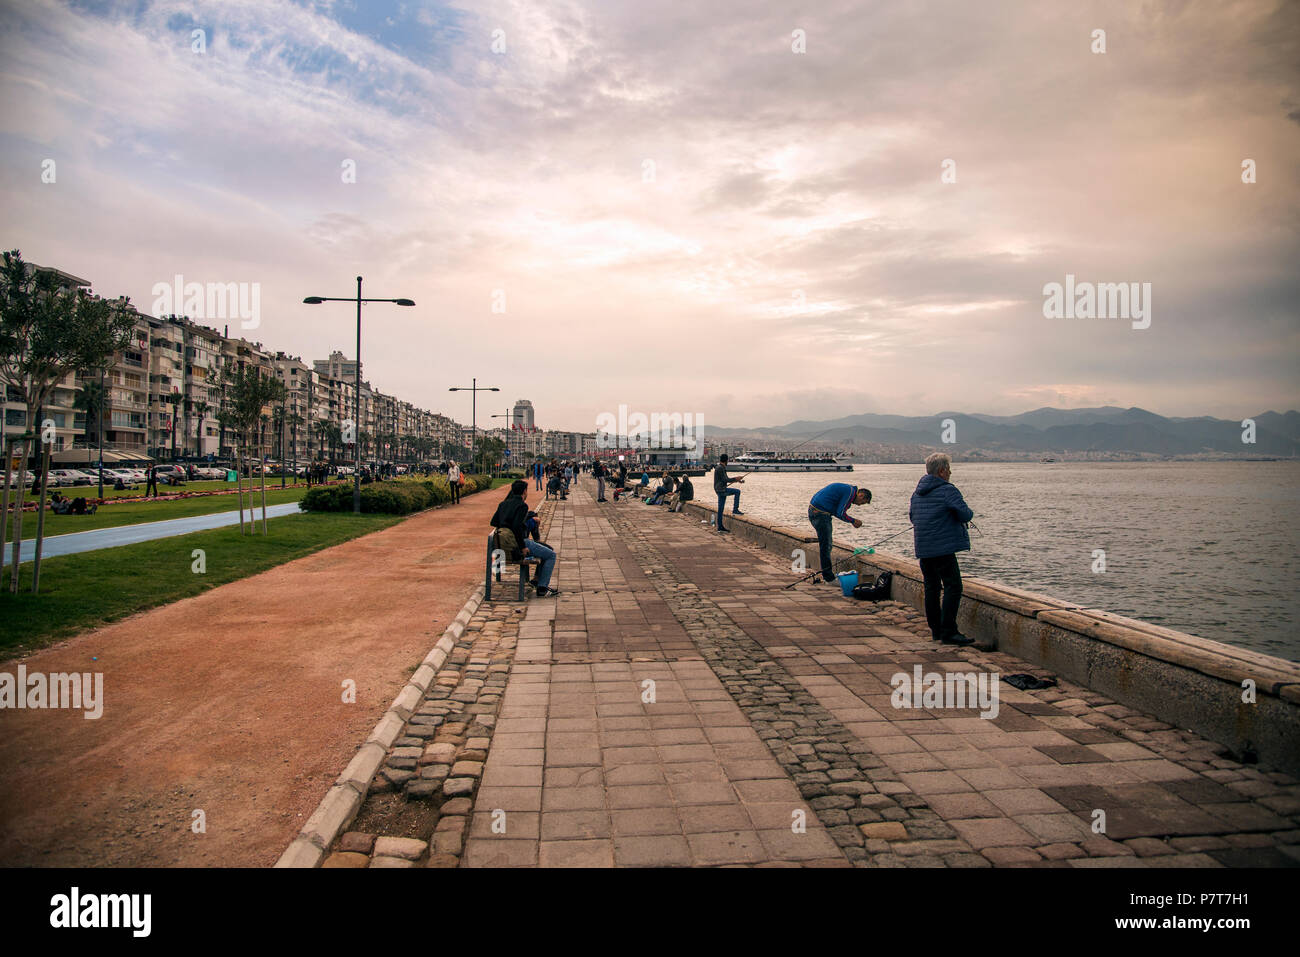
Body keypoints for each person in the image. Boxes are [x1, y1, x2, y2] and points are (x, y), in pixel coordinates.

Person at [910, 452, 974, 646]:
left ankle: (936, 630)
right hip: (942, 548)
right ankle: (949, 631)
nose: (950, 472)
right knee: (953, 587)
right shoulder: (948, 490)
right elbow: (965, 514)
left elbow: (912, 517)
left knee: (931, 587)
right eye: (949, 469)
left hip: (924, 547)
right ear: (942, 471)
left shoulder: (917, 492)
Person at [490, 479, 560, 597]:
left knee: (547, 549)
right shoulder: (522, 506)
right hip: (517, 545)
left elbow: (494, 521)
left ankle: (537, 580)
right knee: (551, 555)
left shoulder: (503, 504)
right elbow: (517, 527)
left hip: (504, 545)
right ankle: (542, 588)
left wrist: (506, 525)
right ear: (524, 491)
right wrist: (522, 547)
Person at [808, 482, 872, 585]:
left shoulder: (847, 490)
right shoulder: (850, 492)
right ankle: (829, 578)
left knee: (826, 544)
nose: (859, 505)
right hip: (820, 514)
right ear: (861, 495)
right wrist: (853, 521)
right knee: (826, 546)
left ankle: (827, 575)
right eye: (862, 502)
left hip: (815, 511)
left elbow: (837, 511)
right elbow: (840, 513)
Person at [713, 454, 744, 532]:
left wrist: (737, 480)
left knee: (721, 509)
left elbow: (725, 479)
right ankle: (735, 510)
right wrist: (736, 478)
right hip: (721, 490)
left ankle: (720, 527)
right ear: (726, 460)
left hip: (719, 489)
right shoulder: (720, 468)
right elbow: (725, 480)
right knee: (737, 492)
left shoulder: (720, 467)